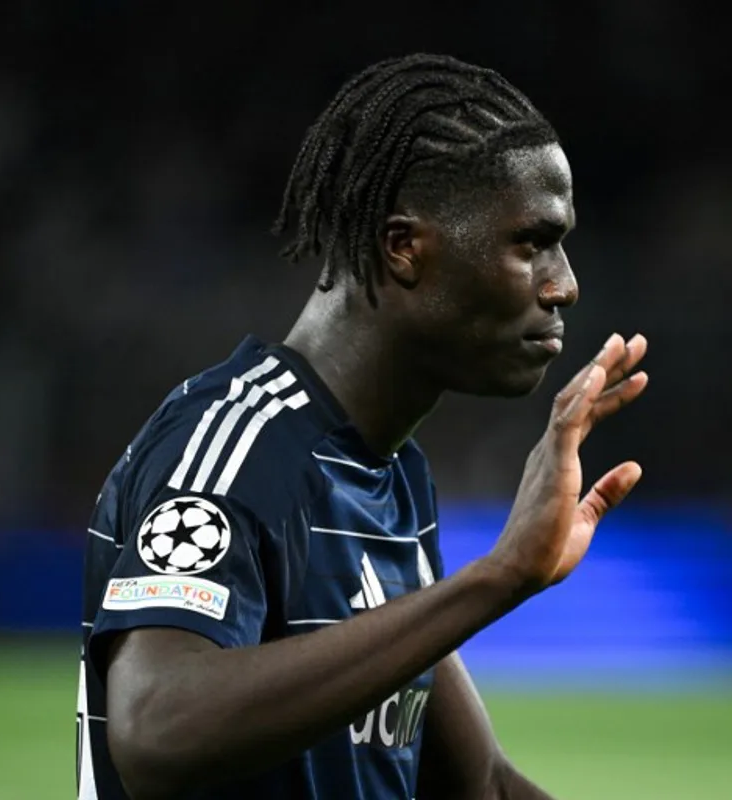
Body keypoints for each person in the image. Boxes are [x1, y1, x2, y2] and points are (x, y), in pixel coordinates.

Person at [76, 53, 649, 800]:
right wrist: (498, 578)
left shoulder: (390, 476)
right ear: (403, 247)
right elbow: (158, 729)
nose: (564, 283)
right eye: (531, 243)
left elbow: (481, 785)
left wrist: (493, 582)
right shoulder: (230, 446)